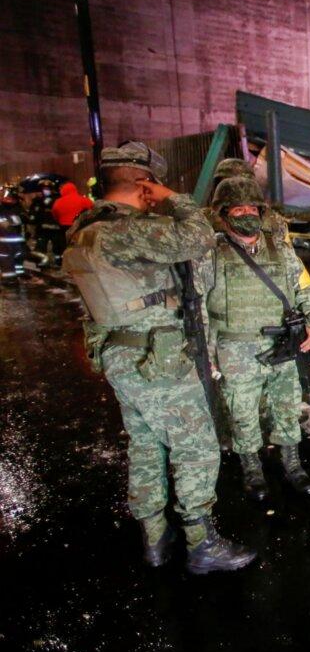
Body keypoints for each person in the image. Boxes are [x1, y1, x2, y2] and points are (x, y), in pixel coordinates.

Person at [63, 141, 256, 574]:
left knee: (147, 444)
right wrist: (174, 199)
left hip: (122, 354)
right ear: (143, 182)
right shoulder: (125, 230)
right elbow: (198, 237)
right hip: (158, 359)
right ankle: (201, 544)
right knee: (196, 447)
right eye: (156, 183)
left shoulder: (85, 228)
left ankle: (154, 537)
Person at [202, 166, 310, 501]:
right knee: (242, 412)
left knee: (287, 406)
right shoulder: (211, 255)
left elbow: (307, 290)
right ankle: (252, 468)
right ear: (223, 214)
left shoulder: (281, 250)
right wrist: (206, 354)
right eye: (238, 210)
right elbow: (198, 306)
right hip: (234, 348)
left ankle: (292, 463)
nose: (246, 215)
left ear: (261, 212)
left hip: (281, 344)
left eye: (252, 209)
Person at [0, 186, 27, 281]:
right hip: (6, 240)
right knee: (8, 258)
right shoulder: (4, 208)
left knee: (18, 256)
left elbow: (24, 219)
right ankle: (10, 278)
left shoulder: (18, 208)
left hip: (15, 239)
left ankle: (17, 274)